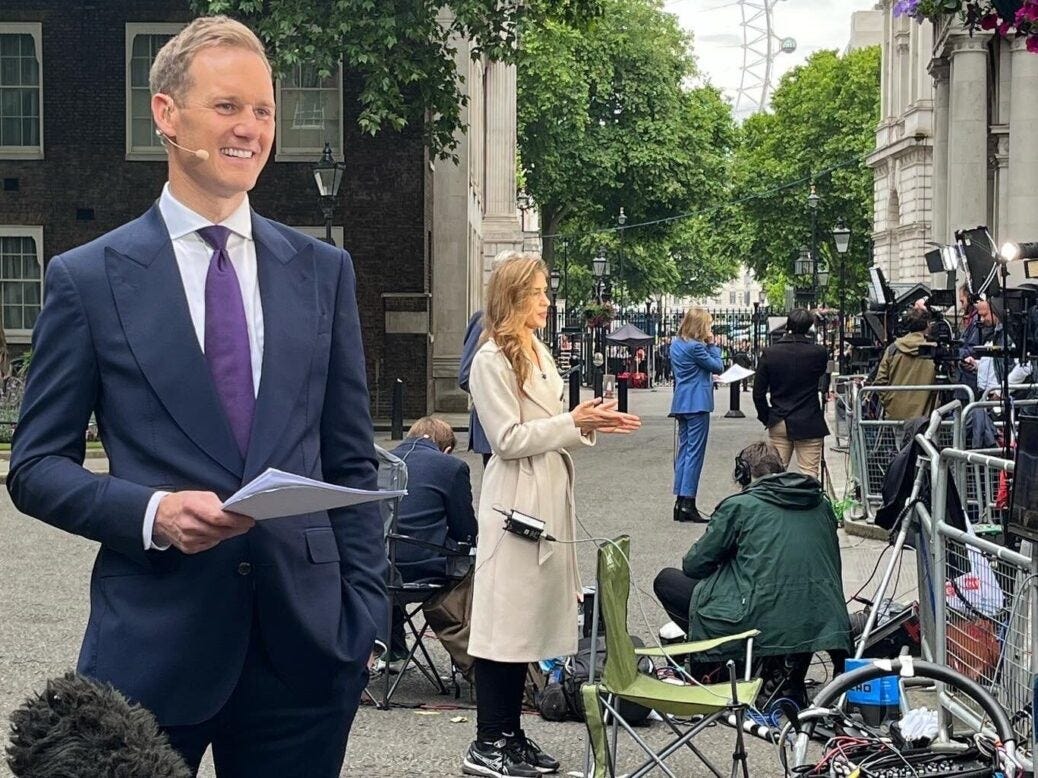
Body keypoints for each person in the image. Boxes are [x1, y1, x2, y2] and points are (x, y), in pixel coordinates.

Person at [7, 17, 386, 777]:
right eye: (227, 107)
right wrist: (149, 513)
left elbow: (351, 457)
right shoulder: (87, 279)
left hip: (305, 654)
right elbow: (35, 467)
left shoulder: (323, 272)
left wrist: (363, 622)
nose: (250, 128)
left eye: (264, 111)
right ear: (166, 114)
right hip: (152, 648)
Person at [464, 254, 640, 777]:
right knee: (503, 625)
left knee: (528, 623)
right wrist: (572, 420)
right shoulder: (491, 358)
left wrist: (589, 422)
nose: (547, 300)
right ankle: (488, 740)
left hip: (545, 495)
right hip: (515, 500)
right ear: (513, 296)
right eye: (538, 292)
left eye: (546, 291)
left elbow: (553, 425)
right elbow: (507, 439)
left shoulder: (537, 350)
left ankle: (511, 736)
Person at [653, 442, 851, 702]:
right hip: (822, 618)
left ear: (743, 473)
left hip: (758, 616)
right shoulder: (821, 503)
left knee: (667, 581)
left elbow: (694, 565)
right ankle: (778, 670)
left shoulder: (740, 506)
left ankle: (724, 662)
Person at [386, 417, 477, 668]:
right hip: (424, 567)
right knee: (474, 564)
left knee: (390, 558)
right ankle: (470, 658)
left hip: (376, 569)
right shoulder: (451, 467)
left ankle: (392, 650)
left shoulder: (380, 462)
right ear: (446, 449)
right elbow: (465, 530)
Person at [459, 250, 524, 468]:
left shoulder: (524, 321)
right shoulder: (482, 321)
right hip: (494, 426)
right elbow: (467, 375)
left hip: (524, 428)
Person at [752, 309, 829, 479]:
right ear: (809, 327)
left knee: (775, 474)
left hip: (780, 418)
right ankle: (808, 504)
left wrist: (768, 418)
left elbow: (758, 393)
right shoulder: (819, 352)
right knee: (809, 473)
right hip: (809, 418)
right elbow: (822, 379)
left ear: (788, 324)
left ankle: (777, 504)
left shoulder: (770, 353)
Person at [669, 308, 723, 524]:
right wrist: (712, 344)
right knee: (694, 453)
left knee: (684, 451)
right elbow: (717, 366)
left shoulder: (676, 344)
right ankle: (689, 502)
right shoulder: (697, 348)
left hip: (681, 401)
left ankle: (679, 501)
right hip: (698, 403)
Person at [874, 308, 937, 421]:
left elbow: (880, 380)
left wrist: (889, 402)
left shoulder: (893, 349)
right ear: (927, 324)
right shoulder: (934, 350)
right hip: (924, 415)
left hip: (895, 414)